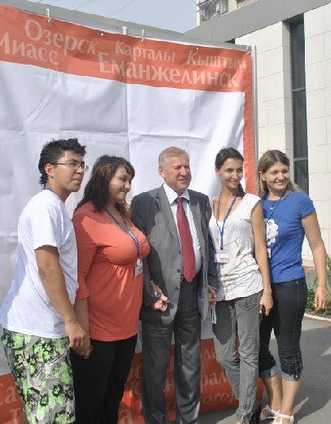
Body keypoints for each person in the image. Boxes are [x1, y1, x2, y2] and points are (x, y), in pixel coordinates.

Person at [0, 138, 90, 424]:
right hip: (37, 331)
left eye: (82, 164)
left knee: (43, 414)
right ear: (49, 169)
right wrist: (71, 321)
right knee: (55, 417)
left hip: (42, 329)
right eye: (72, 163)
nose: (79, 170)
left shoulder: (56, 207)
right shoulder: (45, 206)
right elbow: (47, 266)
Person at [131, 146, 218, 424]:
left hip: (192, 293)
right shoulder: (145, 202)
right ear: (162, 171)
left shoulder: (200, 201)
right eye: (177, 167)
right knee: (155, 368)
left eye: (187, 166)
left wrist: (210, 282)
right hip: (160, 298)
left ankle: (188, 419)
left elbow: (208, 246)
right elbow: (137, 254)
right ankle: (156, 420)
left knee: (190, 365)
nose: (184, 172)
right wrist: (149, 291)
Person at [70, 156, 150, 423]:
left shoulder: (120, 212)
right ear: (104, 178)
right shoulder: (86, 217)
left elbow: (135, 259)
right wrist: (82, 330)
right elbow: (77, 278)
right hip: (98, 329)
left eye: (130, 180)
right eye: (122, 179)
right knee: (91, 401)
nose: (128, 186)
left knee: (113, 395)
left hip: (126, 325)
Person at [256, 150, 327, 424]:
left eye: (284, 171)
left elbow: (317, 245)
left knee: (288, 348)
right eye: (274, 172)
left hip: (290, 285)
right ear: (262, 175)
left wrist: (322, 285)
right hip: (260, 287)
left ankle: (286, 411)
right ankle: (274, 402)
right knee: (258, 347)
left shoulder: (300, 201)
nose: (280, 176)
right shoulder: (257, 204)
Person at [209, 147, 273, 424]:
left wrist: (267, 290)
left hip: (249, 286)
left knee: (248, 353)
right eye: (229, 170)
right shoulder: (209, 205)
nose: (235, 175)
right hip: (220, 289)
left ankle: (245, 413)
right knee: (224, 356)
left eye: (239, 170)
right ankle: (252, 403)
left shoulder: (251, 202)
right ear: (218, 172)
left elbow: (260, 247)